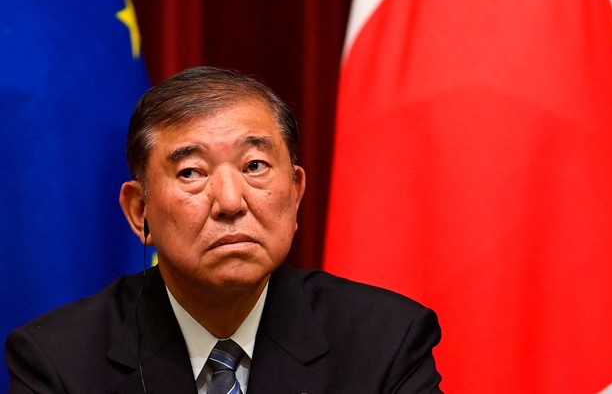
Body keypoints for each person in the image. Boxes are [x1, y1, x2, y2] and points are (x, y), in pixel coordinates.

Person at [5, 66, 442, 393]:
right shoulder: (58, 361)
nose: (231, 202)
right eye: (192, 172)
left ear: (295, 193)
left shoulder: (385, 342)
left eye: (255, 166)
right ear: (140, 211)